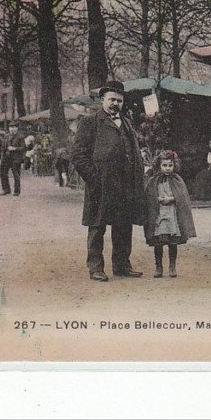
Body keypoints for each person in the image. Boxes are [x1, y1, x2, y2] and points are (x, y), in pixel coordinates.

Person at [70, 80, 145, 282]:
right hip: (101, 185)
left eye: (119, 100)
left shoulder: (127, 122)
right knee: (97, 226)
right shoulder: (90, 122)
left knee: (123, 226)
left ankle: (121, 265)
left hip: (125, 185)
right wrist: (94, 179)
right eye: (112, 99)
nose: (115, 104)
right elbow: (78, 155)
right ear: (103, 99)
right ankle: (95, 267)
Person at [143, 150, 197, 278]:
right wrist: (158, 199)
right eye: (164, 165)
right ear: (159, 165)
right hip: (159, 214)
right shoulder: (153, 180)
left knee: (173, 242)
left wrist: (172, 199)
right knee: (158, 242)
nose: (167, 168)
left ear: (174, 165)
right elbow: (148, 197)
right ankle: (158, 267)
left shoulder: (177, 180)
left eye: (170, 165)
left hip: (172, 214)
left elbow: (182, 197)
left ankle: (172, 266)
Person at [0, 121, 26, 196]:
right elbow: (2, 147)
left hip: (15, 158)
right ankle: (6, 189)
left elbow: (23, 148)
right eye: (11, 127)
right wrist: (2, 155)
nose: (12, 129)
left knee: (16, 174)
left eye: (14, 127)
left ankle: (17, 191)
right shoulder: (6, 136)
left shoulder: (20, 137)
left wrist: (14, 148)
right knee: (3, 173)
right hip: (6, 158)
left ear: (17, 128)